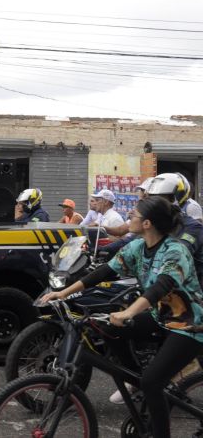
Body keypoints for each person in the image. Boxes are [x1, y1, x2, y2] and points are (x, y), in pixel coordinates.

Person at [39, 196, 203, 438]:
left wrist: (128, 312)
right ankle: (136, 378)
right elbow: (104, 272)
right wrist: (62, 293)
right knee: (102, 326)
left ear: (147, 223)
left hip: (188, 326)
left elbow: (161, 286)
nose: (129, 217)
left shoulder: (175, 251)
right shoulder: (137, 246)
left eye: (134, 215)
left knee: (152, 382)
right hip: (160, 317)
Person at [146, 173, 203, 287]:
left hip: (191, 292)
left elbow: (179, 250)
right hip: (164, 285)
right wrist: (104, 249)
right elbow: (131, 241)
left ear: (176, 198)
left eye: (161, 199)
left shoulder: (192, 227)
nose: (157, 204)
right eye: (153, 199)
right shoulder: (155, 224)